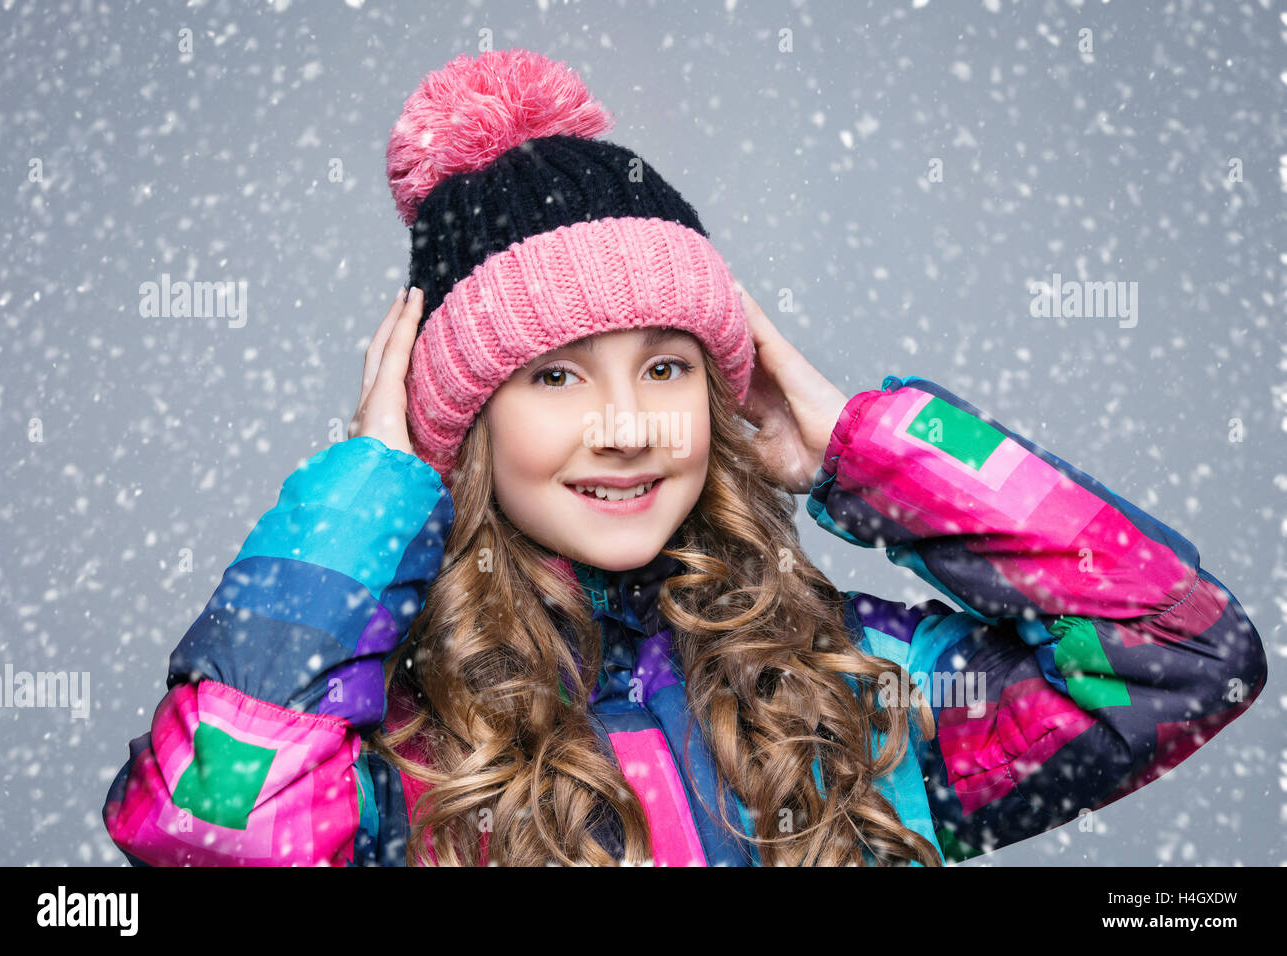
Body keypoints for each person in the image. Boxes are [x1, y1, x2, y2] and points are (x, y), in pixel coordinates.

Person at [102, 48, 1267, 867]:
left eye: (665, 367)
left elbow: (1183, 655)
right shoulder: (404, 754)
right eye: (553, 376)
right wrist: (369, 488)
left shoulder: (850, 686)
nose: (628, 425)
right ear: (457, 425)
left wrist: (868, 450)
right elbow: (208, 830)